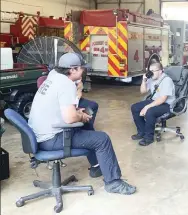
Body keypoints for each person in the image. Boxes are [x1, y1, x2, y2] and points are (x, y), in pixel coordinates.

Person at [28, 53, 136, 195]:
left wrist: (76, 111)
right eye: (81, 68)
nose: (84, 71)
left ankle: (97, 166)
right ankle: (113, 183)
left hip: (39, 135)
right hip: (50, 139)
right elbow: (70, 118)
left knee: (89, 131)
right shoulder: (65, 84)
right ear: (72, 69)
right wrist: (80, 115)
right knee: (102, 139)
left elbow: (59, 108)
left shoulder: (53, 76)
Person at [131, 62, 175, 146]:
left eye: (153, 71)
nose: (150, 73)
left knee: (150, 112)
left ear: (160, 71)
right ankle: (142, 132)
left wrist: (147, 107)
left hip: (166, 104)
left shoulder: (167, 80)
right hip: (154, 100)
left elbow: (162, 99)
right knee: (135, 107)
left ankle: (148, 138)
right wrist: (144, 80)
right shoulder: (151, 79)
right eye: (149, 71)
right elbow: (143, 91)